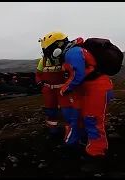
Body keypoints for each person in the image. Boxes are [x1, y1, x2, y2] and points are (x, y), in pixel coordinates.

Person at [39, 31, 114, 171]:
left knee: (92, 120)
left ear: (56, 47)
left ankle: (97, 155)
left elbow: (77, 76)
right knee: (77, 117)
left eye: (48, 50)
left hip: (97, 89)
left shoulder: (72, 53)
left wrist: (64, 89)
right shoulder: (72, 52)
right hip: (85, 89)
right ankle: (73, 144)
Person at [35, 51, 72, 144]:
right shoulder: (43, 61)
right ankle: (53, 133)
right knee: (50, 111)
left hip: (63, 89)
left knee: (67, 112)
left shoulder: (65, 60)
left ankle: (70, 136)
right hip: (48, 89)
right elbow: (38, 73)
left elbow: (72, 73)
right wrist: (39, 82)